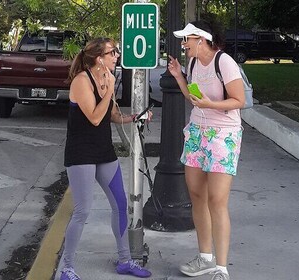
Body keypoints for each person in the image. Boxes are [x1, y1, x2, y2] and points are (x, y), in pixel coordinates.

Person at [61, 37, 152, 280]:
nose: (117, 56)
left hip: (103, 151)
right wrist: (110, 88)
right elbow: (93, 116)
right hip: (81, 153)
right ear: (99, 58)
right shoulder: (82, 81)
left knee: (120, 204)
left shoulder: (106, 78)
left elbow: (110, 116)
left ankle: (125, 260)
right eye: (113, 52)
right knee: (82, 210)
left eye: (117, 52)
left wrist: (135, 117)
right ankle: (67, 268)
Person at [167, 20, 245, 280]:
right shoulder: (191, 64)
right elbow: (193, 98)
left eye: (187, 39)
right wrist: (179, 76)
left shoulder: (224, 62)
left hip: (223, 136)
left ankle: (221, 268)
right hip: (197, 133)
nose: (183, 44)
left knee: (217, 200)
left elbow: (239, 100)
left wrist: (211, 104)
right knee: (197, 195)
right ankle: (205, 257)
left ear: (201, 39)